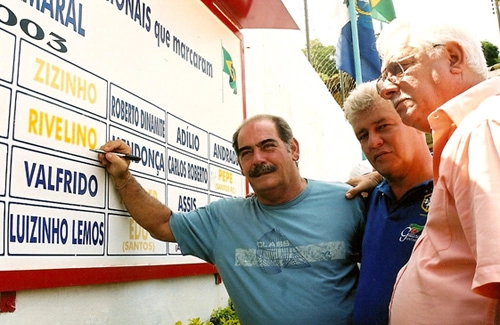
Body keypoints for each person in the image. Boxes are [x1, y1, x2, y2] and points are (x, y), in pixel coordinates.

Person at [96, 114, 365, 325]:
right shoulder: (224, 220)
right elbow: (162, 224)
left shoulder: (347, 200)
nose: (258, 159)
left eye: (267, 146)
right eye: (246, 152)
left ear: (293, 148)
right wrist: (123, 177)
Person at [376, 18, 500, 324]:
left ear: (453, 59)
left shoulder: (481, 127)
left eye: (397, 69)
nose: (386, 90)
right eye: (383, 77)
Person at [343, 81, 433, 325]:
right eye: (363, 135)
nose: (373, 142)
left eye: (383, 127)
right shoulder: (366, 199)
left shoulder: (455, 189)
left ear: (414, 122)